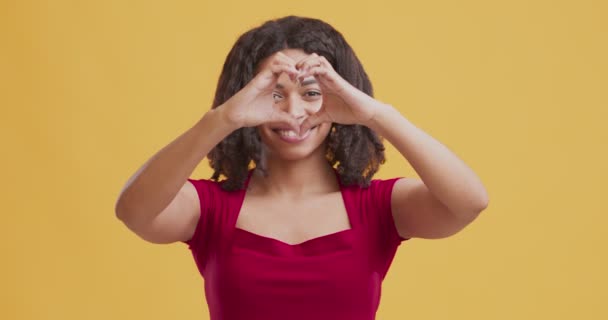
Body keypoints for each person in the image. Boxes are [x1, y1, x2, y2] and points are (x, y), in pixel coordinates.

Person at [115, 15, 489, 320]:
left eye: (311, 93)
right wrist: (221, 119)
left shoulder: (378, 206)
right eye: (274, 95)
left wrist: (375, 114)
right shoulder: (210, 207)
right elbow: (133, 211)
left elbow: (469, 202)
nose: (294, 113)